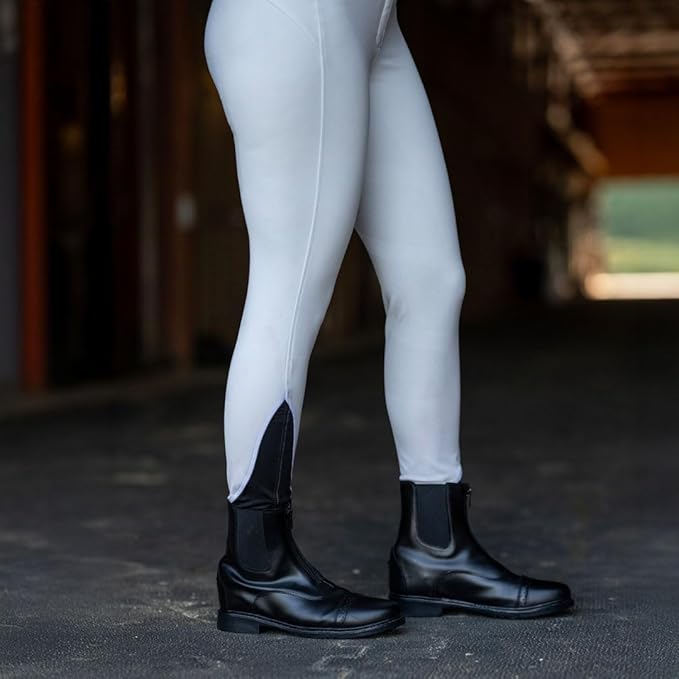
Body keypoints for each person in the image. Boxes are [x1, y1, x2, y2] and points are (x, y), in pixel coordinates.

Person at [203, 0, 574, 638]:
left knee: (432, 280)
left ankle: (435, 548)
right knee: (291, 283)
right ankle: (257, 566)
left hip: (376, 25)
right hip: (296, 15)